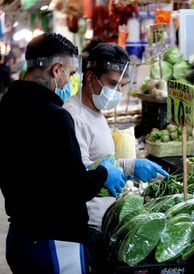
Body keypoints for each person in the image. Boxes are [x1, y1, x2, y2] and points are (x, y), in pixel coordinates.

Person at [0, 33, 126, 273]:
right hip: (53, 244)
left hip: (19, 238)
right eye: (70, 74)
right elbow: (74, 188)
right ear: (56, 70)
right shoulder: (55, 116)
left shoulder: (7, 105)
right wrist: (103, 173)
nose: (70, 82)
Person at [63, 42, 169, 272]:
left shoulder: (96, 112)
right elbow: (79, 176)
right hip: (92, 227)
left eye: (122, 85)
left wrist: (131, 165)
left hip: (107, 223)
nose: (117, 92)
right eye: (112, 84)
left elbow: (101, 163)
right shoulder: (74, 116)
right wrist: (117, 170)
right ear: (90, 78)